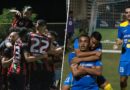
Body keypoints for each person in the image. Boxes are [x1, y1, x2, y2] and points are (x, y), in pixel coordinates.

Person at [113, 6, 130, 90]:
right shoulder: (122, 26)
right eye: (127, 12)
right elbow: (119, 38)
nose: (128, 14)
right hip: (125, 57)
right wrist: (117, 43)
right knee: (122, 80)